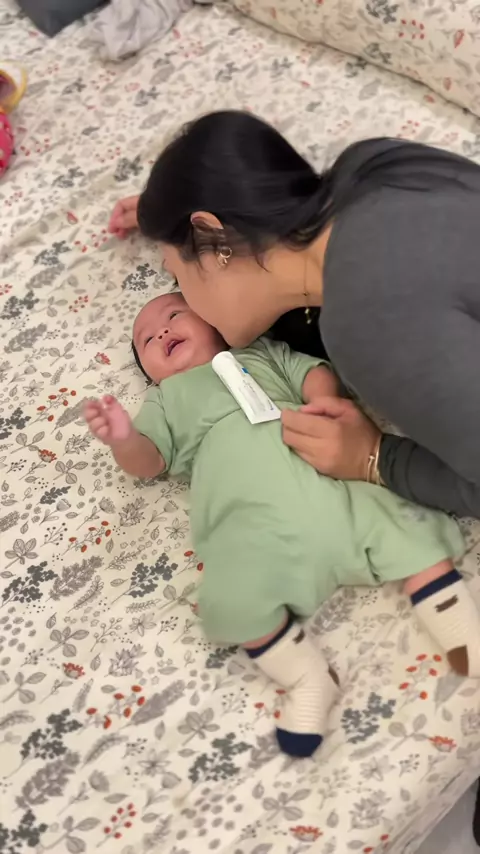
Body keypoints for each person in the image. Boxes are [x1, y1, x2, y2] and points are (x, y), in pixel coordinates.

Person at [85, 293, 477, 759]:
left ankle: (460, 630)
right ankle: (306, 678)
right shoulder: (166, 400)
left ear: (214, 322)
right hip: (250, 526)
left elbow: (314, 372)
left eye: (174, 315)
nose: (163, 331)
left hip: (330, 481)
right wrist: (124, 438)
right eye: (147, 339)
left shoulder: (261, 353)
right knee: (229, 601)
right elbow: (148, 461)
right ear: (151, 375)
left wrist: (324, 400)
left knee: (404, 520)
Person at [109, 111, 480, 520]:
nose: (185, 300)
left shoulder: (364, 322)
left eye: (176, 276)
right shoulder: (378, 162)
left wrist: (375, 457)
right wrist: (172, 209)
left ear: (212, 240)